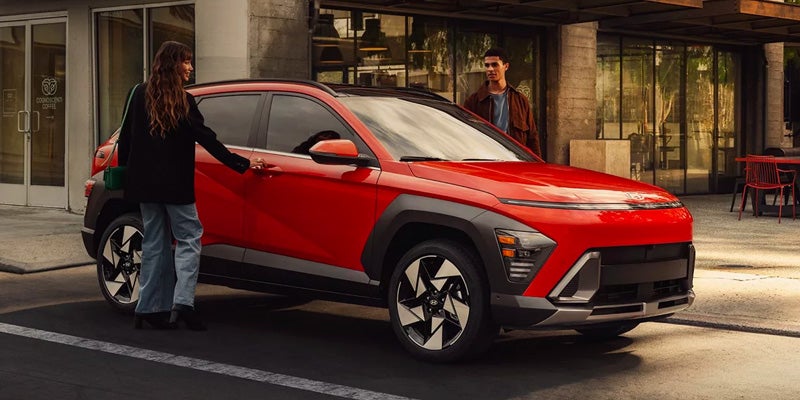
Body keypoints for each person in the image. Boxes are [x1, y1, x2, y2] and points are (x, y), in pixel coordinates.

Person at [117, 41, 265, 331]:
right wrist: (243, 163)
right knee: (189, 238)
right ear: (174, 64)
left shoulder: (138, 94)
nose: (190, 67)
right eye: (186, 61)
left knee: (154, 243)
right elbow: (208, 139)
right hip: (175, 187)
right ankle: (183, 303)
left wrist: (128, 180)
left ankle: (148, 308)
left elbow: (126, 140)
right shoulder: (183, 101)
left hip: (144, 186)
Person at [463, 47, 541, 156]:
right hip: (486, 158)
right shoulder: (474, 101)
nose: (490, 69)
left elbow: (532, 137)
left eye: (495, 65)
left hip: (515, 159)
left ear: (506, 66)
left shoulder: (520, 100)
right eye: (487, 65)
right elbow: (465, 135)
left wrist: (537, 162)